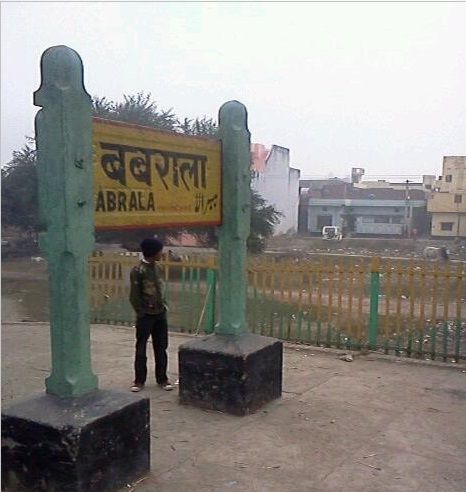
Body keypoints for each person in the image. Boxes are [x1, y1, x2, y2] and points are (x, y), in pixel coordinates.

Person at [129, 237, 174, 392]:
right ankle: (139, 381)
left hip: (160, 313)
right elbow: (134, 295)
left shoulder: (158, 268)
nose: (162, 253)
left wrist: (164, 306)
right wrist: (141, 312)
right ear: (153, 252)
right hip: (145, 315)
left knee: (161, 347)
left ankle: (162, 379)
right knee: (141, 347)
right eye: (160, 250)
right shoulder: (138, 271)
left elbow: (161, 289)